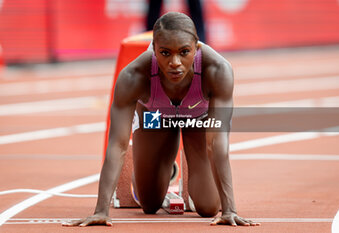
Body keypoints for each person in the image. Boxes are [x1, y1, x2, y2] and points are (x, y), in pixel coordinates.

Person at [62, 12, 259, 227]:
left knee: (208, 208)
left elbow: (217, 144)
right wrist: (101, 210)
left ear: (197, 48)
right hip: (155, 117)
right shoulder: (134, 76)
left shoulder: (218, 70)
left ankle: (187, 161)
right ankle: (159, 160)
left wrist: (230, 209)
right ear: (153, 49)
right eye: (165, 53)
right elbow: (117, 144)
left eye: (184, 52)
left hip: (198, 118)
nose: (175, 62)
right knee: (149, 204)